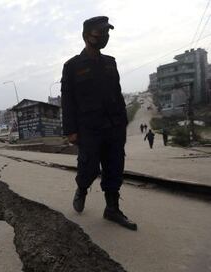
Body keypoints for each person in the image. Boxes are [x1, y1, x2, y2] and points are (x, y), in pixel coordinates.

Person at [61, 16, 137, 230]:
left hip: (113, 126)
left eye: (107, 34)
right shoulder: (72, 66)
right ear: (86, 37)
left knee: (114, 166)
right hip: (89, 128)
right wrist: (71, 131)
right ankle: (82, 188)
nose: (104, 38)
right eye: (99, 34)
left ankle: (111, 209)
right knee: (89, 167)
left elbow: (118, 93)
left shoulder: (110, 63)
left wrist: (123, 122)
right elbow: (68, 100)